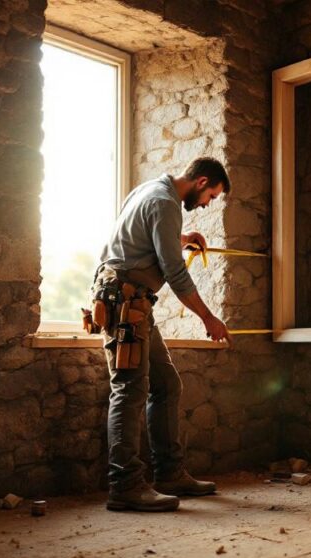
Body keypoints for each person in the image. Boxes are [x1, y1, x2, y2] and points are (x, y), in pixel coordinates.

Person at [93, 157, 232, 512]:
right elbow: (174, 273)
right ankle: (124, 486)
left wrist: (179, 238)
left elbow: (136, 240)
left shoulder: (150, 190)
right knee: (129, 388)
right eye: (211, 197)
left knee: (167, 384)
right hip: (126, 301)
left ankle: (169, 473)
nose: (206, 204)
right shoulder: (165, 202)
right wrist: (209, 318)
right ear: (201, 182)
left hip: (134, 301)